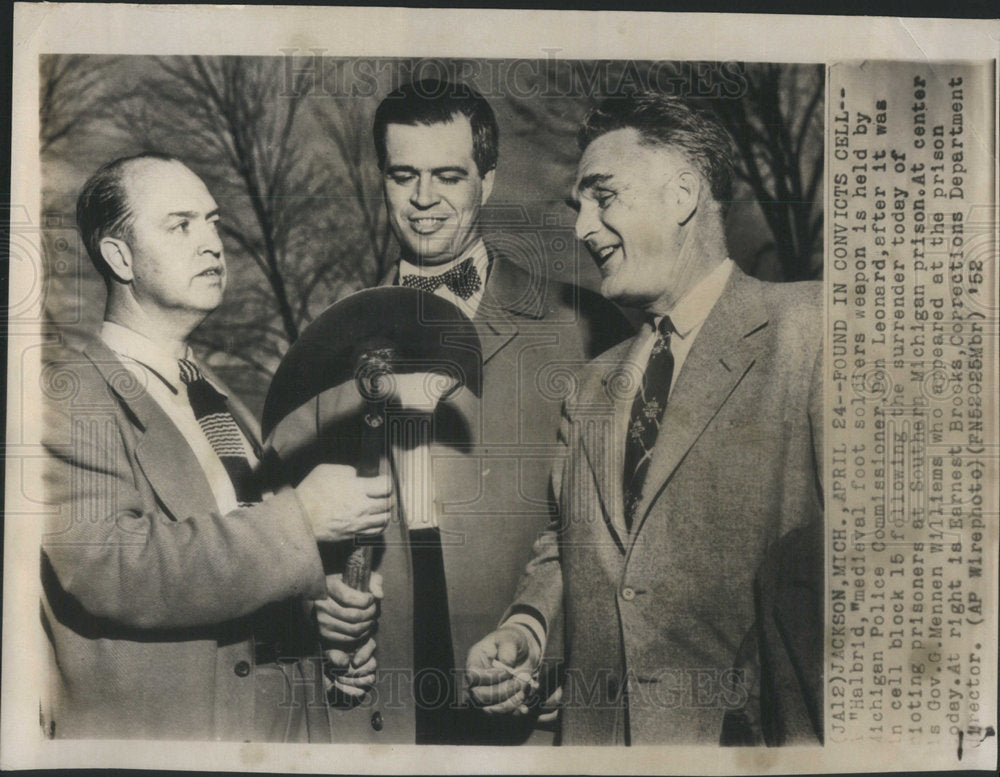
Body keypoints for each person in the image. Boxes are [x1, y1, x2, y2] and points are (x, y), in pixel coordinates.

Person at [268, 79, 633, 744]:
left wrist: (560, 659)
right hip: (384, 718)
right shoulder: (327, 350)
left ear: (487, 181)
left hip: (531, 715)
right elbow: (291, 537)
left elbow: (618, 536)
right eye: (403, 175)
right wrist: (320, 614)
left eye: (448, 175)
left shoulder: (585, 329)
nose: (424, 199)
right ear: (381, 178)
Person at [466, 92, 824, 746]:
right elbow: (570, 552)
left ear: (684, 193)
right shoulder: (590, 386)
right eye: (579, 207)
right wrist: (527, 629)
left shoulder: (815, 333)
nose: (582, 229)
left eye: (604, 196)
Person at [41, 153, 391, 741]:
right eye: (181, 225)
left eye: (213, 223)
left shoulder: (220, 400)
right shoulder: (69, 396)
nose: (211, 244)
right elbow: (109, 565)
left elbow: (244, 562)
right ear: (118, 256)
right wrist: (299, 521)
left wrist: (320, 620)